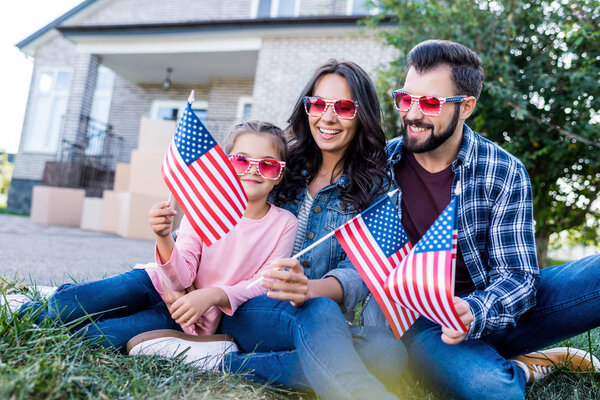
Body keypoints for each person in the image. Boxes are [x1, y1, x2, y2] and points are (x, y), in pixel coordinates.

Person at [129, 59, 407, 400]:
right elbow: (212, 217)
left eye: (345, 107)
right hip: (247, 305)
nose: (328, 117)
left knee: (387, 354)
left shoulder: (375, 187)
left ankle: (220, 363)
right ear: (306, 108)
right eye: (318, 104)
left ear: (361, 114)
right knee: (324, 316)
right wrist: (179, 277)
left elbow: (362, 270)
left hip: (317, 315)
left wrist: (309, 288)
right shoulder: (277, 165)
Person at [365, 39, 600, 399]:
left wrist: (474, 311)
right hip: (427, 323)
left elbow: (519, 277)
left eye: (429, 103)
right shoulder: (380, 168)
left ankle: (502, 350)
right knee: (494, 390)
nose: (412, 114)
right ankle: (531, 364)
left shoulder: (503, 170)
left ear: (466, 107)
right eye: (405, 98)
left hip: (497, 307)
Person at [16, 121, 298, 354]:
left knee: (99, 337)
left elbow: (264, 282)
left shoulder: (284, 224)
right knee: (70, 306)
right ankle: (29, 309)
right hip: (151, 283)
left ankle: (65, 315)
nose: (252, 169)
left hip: (186, 319)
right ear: (225, 165)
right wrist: (164, 237)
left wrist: (212, 296)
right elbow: (179, 277)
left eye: (267, 165)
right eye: (241, 160)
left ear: (280, 174)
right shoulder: (204, 208)